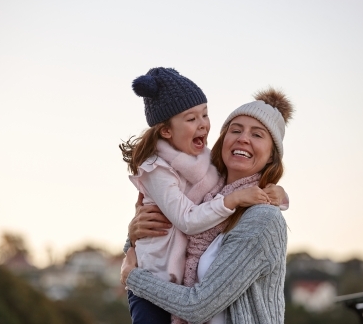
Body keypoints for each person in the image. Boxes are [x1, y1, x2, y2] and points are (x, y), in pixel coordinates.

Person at [119, 68, 288, 324]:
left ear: (272, 155)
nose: (243, 139)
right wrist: (132, 235)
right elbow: (169, 237)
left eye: (257, 134)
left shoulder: (260, 216)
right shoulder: (207, 195)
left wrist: (132, 277)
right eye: (236, 130)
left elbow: (198, 306)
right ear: (223, 139)